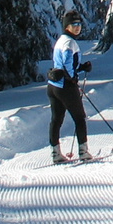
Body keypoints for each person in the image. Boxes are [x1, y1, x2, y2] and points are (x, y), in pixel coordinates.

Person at [47, 10, 94, 164]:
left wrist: (81, 68)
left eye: (79, 24)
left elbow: (63, 65)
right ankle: (83, 152)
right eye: (73, 24)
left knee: (56, 120)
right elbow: (67, 65)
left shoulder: (61, 40)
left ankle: (56, 154)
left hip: (54, 85)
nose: (77, 27)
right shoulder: (70, 43)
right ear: (66, 26)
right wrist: (73, 78)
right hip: (66, 87)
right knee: (80, 118)